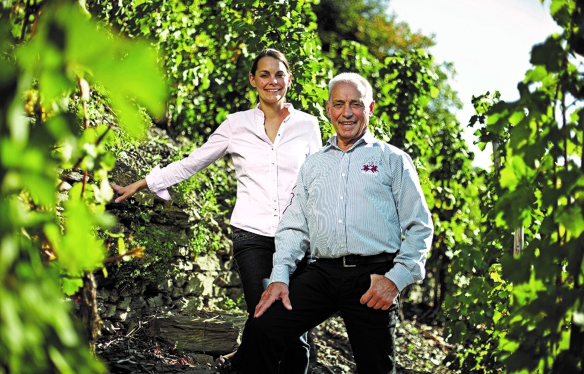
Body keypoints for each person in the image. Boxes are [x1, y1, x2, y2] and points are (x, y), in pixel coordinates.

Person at [110, 49, 322, 374]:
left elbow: (321, 179)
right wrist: (143, 183)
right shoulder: (236, 125)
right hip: (252, 237)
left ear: (289, 79)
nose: (272, 81)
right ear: (253, 80)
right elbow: (194, 161)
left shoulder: (308, 126)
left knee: (297, 335)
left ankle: (240, 365)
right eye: (264, 74)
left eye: (279, 74)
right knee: (267, 318)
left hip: (297, 241)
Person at [231, 72, 434, 374]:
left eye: (356, 104)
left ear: (371, 108)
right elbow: (294, 226)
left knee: (376, 368)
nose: (347, 112)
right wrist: (279, 277)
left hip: (372, 277)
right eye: (339, 104)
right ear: (328, 109)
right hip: (323, 274)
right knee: (263, 328)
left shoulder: (392, 159)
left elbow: (419, 227)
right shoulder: (314, 165)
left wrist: (396, 279)